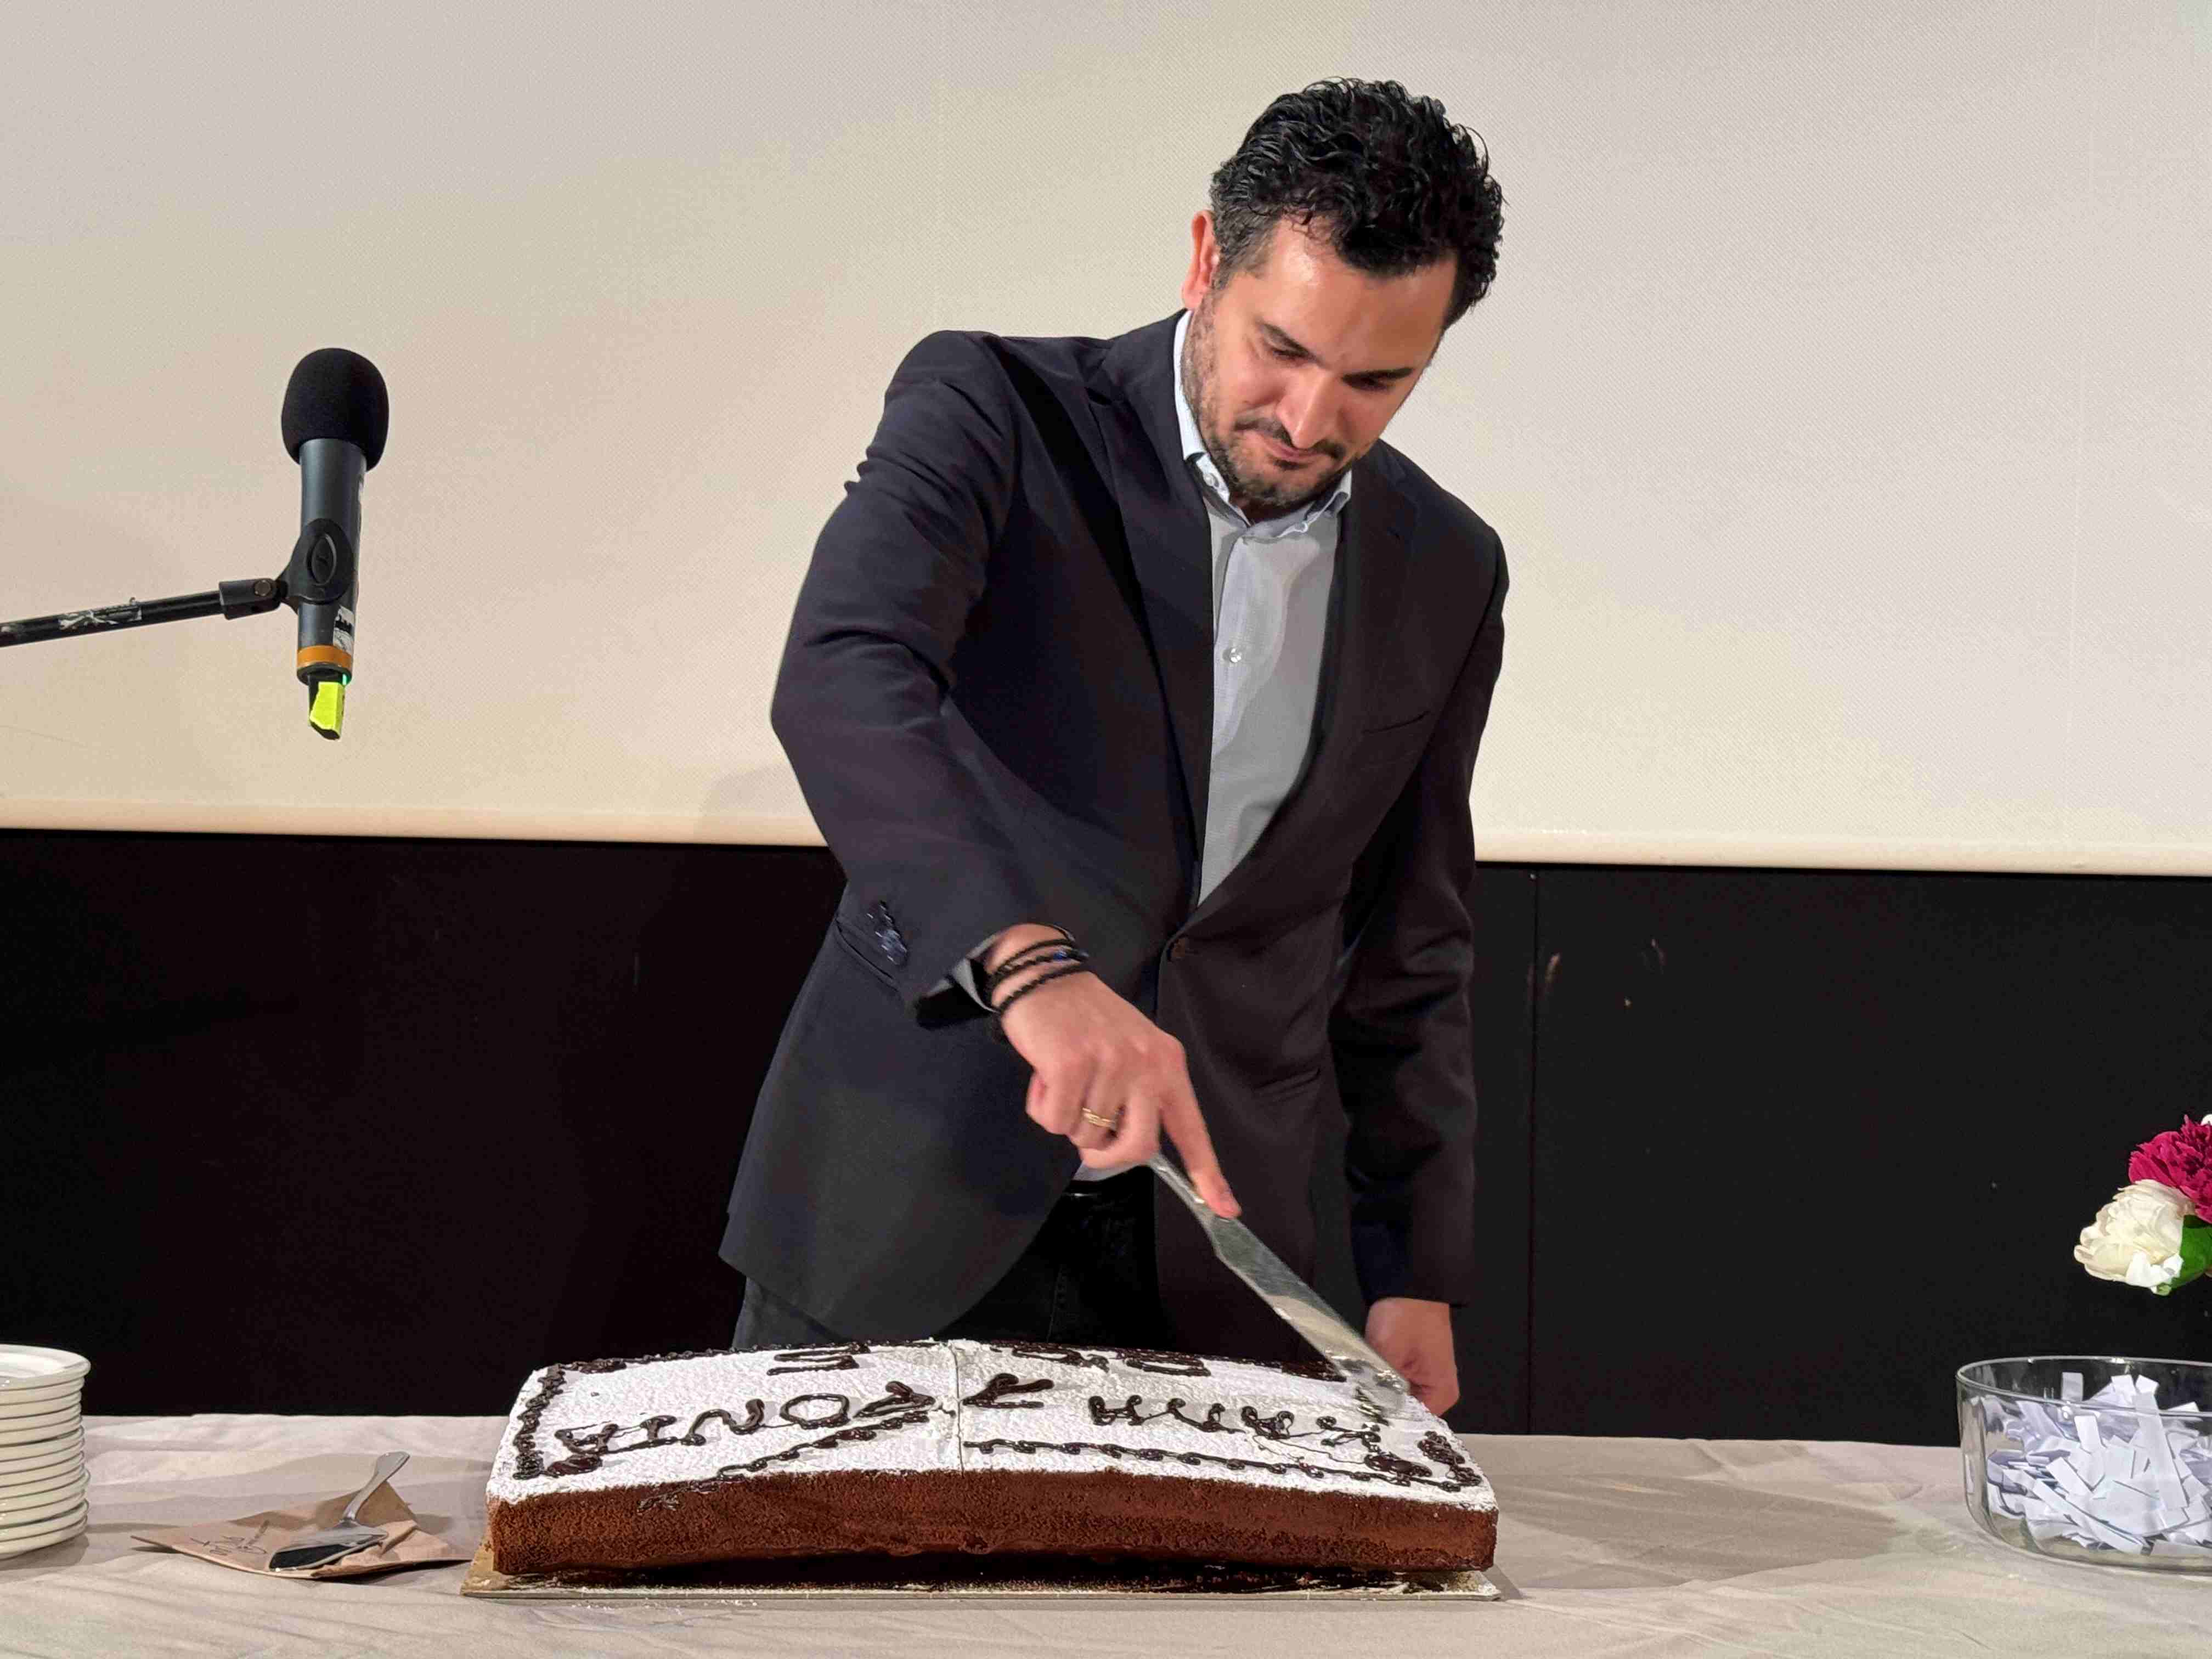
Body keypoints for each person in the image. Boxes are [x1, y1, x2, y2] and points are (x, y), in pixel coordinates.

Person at [719, 77, 1508, 1416]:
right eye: (1280, 349)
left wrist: (1412, 1265)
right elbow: (845, 669)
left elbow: (1408, 939)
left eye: (1379, 380)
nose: (1311, 419)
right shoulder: (996, 407)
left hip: (1212, 1261)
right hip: (899, 1208)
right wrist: (1031, 965)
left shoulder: (1449, 566)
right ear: (1207, 260)